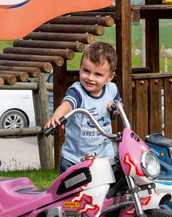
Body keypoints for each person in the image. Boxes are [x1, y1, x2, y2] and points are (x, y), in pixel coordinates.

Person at [45, 42, 122, 174]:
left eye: (98, 74)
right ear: (80, 68)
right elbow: (67, 104)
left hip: (103, 156)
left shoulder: (112, 89)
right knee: (70, 194)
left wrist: (116, 107)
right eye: (86, 71)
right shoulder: (78, 91)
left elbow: (119, 105)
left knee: (108, 190)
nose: (90, 78)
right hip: (75, 159)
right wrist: (57, 116)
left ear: (110, 77)